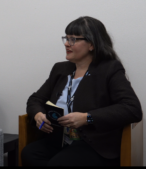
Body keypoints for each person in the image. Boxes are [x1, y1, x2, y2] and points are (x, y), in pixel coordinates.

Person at [21, 16, 142, 166]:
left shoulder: (109, 69)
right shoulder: (60, 69)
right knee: (28, 153)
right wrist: (38, 115)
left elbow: (132, 109)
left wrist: (87, 118)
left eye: (73, 39)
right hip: (59, 140)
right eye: (66, 38)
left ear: (91, 44)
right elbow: (35, 99)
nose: (66, 43)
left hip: (92, 144)